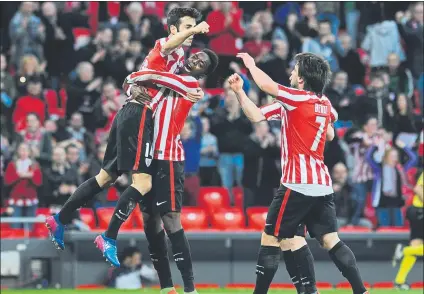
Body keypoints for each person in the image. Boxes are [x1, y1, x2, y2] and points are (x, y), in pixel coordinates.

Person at [45, 7, 209, 267]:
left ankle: (59, 219)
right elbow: (162, 53)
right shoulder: (168, 45)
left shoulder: (177, 57)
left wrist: (130, 82)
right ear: (174, 29)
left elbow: (141, 75)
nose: (192, 31)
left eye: (194, 26)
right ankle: (109, 237)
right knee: (142, 182)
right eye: (187, 26)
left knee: (106, 177)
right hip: (140, 115)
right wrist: (196, 29)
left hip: (128, 112)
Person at [234, 52, 368, 294]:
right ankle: (359, 290)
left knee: (271, 238)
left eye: (294, 71)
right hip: (322, 185)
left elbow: (266, 85)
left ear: (303, 79)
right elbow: (329, 133)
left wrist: (251, 64)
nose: (290, 74)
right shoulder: (323, 103)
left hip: (297, 184)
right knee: (323, 240)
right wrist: (240, 92)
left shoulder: (296, 98)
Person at [123, 49, 218, 294]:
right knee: (150, 222)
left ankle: (189, 287)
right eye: (196, 55)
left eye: (202, 62)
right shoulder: (170, 75)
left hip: (168, 157)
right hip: (146, 156)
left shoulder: (188, 82)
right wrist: (132, 87)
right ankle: (167, 287)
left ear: (203, 73)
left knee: (171, 220)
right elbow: (137, 87)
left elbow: (150, 76)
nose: (195, 59)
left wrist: (134, 77)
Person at [392, 172, 423, 290]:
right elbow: (418, 188)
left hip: (417, 212)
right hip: (420, 212)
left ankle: (399, 281)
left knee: (416, 246)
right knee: (415, 248)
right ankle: (404, 250)